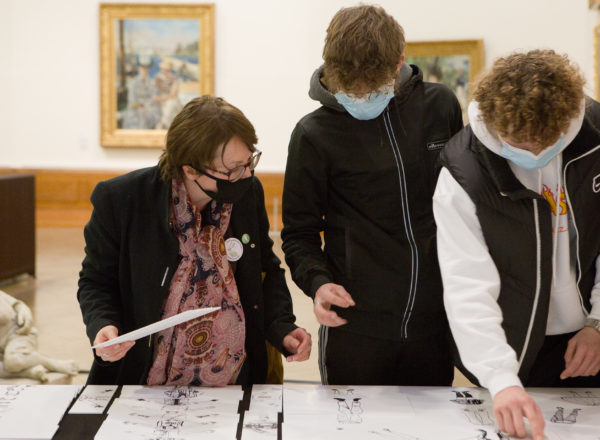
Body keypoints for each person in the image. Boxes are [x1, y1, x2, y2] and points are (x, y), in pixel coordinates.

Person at [281, 4, 463, 385]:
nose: (362, 99)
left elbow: (463, 206)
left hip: (433, 324)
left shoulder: (440, 107)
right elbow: (299, 233)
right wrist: (317, 283)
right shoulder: (313, 134)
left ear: (399, 63)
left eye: (374, 90)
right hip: (355, 328)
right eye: (351, 91)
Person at [78, 95, 311, 386]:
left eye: (249, 161)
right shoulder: (122, 200)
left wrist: (282, 327)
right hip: (143, 379)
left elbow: (264, 270)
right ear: (190, 169)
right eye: (232, 169)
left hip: (232, 377)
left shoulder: (247, 193)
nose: (247, 174)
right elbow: (96, 280)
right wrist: (102, 324)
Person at [433, 50, 600, 440]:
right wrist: (500, 378)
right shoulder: (463, 170)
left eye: (544, 144)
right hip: (512, 342)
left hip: (589, 334)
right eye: (517, 144)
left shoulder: (594, 138)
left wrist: (598, 323)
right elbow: (466, 284)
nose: (533, 155)